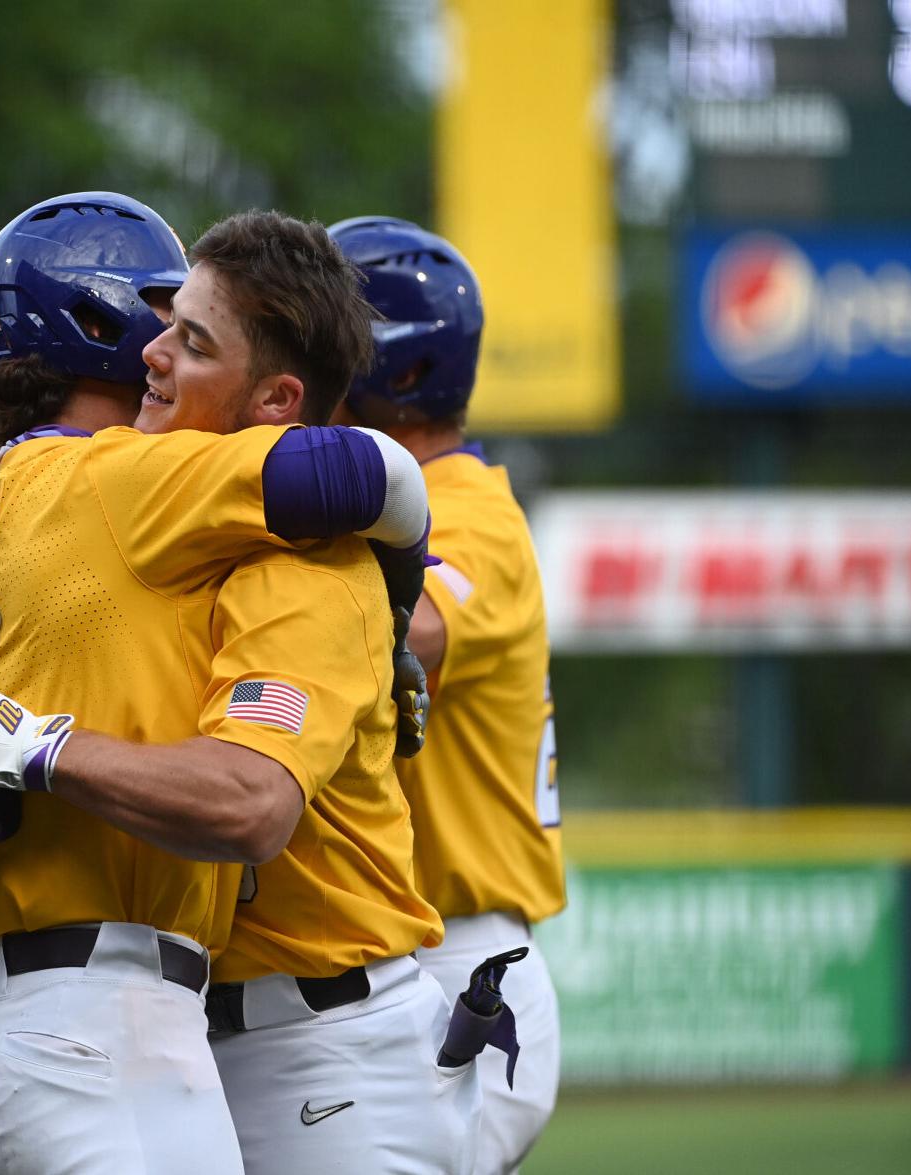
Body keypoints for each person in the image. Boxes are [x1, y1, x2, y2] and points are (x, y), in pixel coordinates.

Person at [0, 204, 481, 1175]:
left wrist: (42, 740)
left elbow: (251, 801)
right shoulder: (145, 496)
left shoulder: (305, 562)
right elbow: (25, 466)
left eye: (190, 338)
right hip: (154, 1027)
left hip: (328, 1049)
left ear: (274, 401)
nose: (152, 352)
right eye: (158, 325)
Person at [328, 215, 567, 1172]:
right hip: (407, 958)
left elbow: (411, 625)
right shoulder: (378, 502)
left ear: (403, 372)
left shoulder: (467, 509)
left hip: (455, 963)